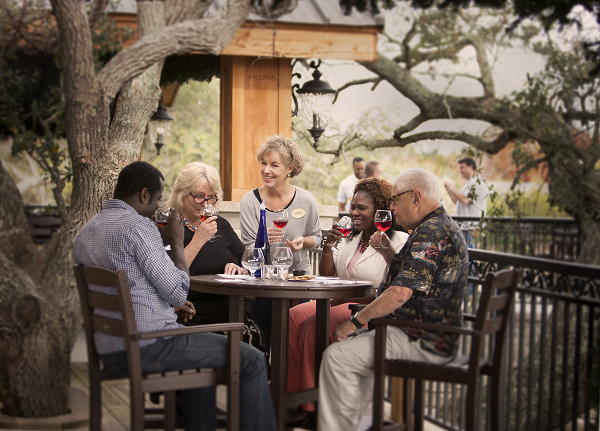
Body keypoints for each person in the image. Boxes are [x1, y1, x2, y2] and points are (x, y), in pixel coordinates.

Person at [73, 161, 277, 431]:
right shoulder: (140, 228)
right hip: (149, 344)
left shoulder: (86, 231)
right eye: (157, 199)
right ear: (144, 195)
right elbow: (177, 290)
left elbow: (136, 286)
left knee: (199, 371)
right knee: (250, 358)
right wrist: (178, 241)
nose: (157, 207)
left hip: (111, 347)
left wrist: (171, 304)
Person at [318, 168, 469, 431]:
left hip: (421, 338)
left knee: (336, 357)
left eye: (395, 200)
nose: (391, 208)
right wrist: (389, 252)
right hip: (428, 332)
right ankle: (362, 426)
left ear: (416, 198)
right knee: (355, 354)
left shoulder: (430, 232)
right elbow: (412, 278)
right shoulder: (440, 226)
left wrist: (353, 322)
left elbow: (400, 292)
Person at [287, 178, 408, 428]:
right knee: (293, 316)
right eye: (353, 207)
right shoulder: (352, 238)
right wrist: (329, 247)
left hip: (365, 307)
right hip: (337, 298)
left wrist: (344, 298)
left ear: (380, 210)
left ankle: (312, 407)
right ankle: (294, 397)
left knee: (312, 326)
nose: (353, 212)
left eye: (361, 208)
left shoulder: (398, 240)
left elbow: (391, 288)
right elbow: (328, 276)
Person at [240, 135, 322, 348]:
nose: (266, 170)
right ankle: (264, 377)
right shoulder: (250, 201)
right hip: (263, 283)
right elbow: (248, 247)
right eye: (264, 163)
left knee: (295, 340)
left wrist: (303, 241)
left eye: (274, 165)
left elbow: (317, 238)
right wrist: (263, 238)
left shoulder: (306, 200)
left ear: (289, 169)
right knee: (260, 339)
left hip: (298, 281)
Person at [166, 162, 247, 326]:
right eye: (199, 196)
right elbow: (169, 276)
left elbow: (246, 262)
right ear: (182, 194)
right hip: (191, 314)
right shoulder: (167, 226)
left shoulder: (221, 224)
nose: (205, 203)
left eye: (211, 197)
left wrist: (240, 269)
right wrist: (198, 239)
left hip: (230, 311)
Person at [443, 157, 489, 247]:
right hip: (464, 227)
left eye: (462, 167)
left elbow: (465, 200)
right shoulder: (469, 183)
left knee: (470, 254)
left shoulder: (477, 182)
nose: (460, 170)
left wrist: (452, 188)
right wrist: (449, 189)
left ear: (471, 167)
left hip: (470, 227)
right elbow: (457, 201)